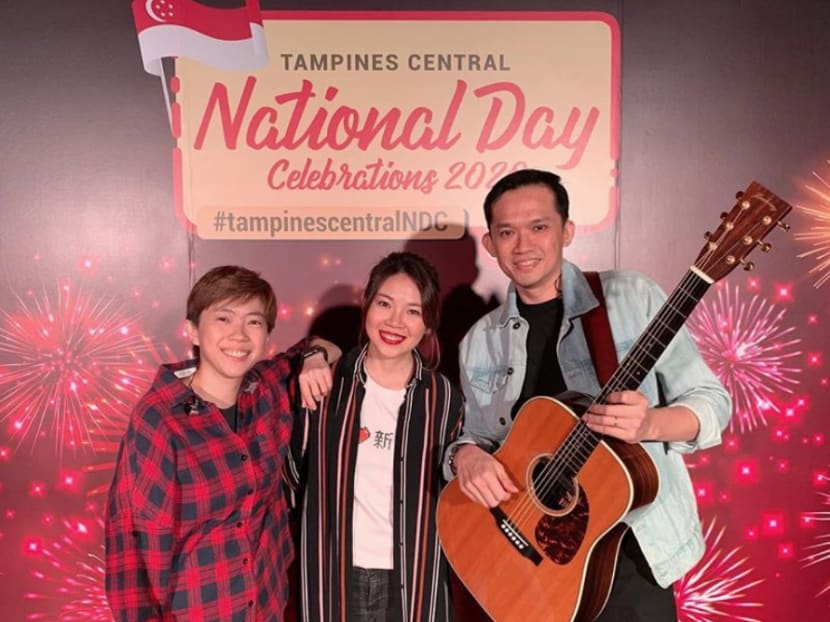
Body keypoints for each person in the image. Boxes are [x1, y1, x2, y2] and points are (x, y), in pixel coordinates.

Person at [444, 169, 732, 620]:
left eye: (539, 227)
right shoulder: (480, 340)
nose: (523, 245)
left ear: (567, 231)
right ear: (491, 244)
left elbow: (711, 402)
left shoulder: (631, 296)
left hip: (629, 549)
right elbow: (477, 437)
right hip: (531, 567)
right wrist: (466, 457)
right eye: (507, 232)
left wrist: (651, 424)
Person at [104, 265, 339, 622]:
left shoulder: (266, 388)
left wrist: (314, 357)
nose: (239, 335)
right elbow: (133, 554)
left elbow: (324, 346)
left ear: (267, 335)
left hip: (266, 607)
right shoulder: (161, 421)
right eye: (223, 319)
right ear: (193, 330)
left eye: (253, 322)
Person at [284, 252, 465, 622]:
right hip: (333, 576)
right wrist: (314, 352)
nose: (395, 322)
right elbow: (294, 477)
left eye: (413, 311)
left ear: (428, 323)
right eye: (385, 304)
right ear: (366, 304)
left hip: (414, 579)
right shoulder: (326, 384)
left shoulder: (443, 398)